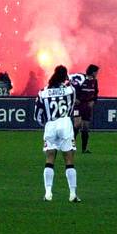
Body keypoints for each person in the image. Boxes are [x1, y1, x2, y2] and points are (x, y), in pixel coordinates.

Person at [35, 65, 80, 202]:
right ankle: (72, 194)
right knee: (69, 160)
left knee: (49, 158)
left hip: (50, 124)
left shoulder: (42, 92)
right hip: (65, 123)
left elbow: (37, 115)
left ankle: (48, 193)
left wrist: (46, 124)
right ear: (65, 76)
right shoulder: (70, 90)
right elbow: (72, 107)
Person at [71, 64, 100, 153]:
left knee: (85, 127)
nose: (97, 74)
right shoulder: (81, 79)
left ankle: (84, 148)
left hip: (87, 106)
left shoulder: (94, 81)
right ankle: (71, 145)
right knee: (77, 124)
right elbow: (72, 89)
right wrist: (74, 99)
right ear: (93, 72)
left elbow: (96, 93)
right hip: (79, 105)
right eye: (96, 72)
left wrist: (93, 101)